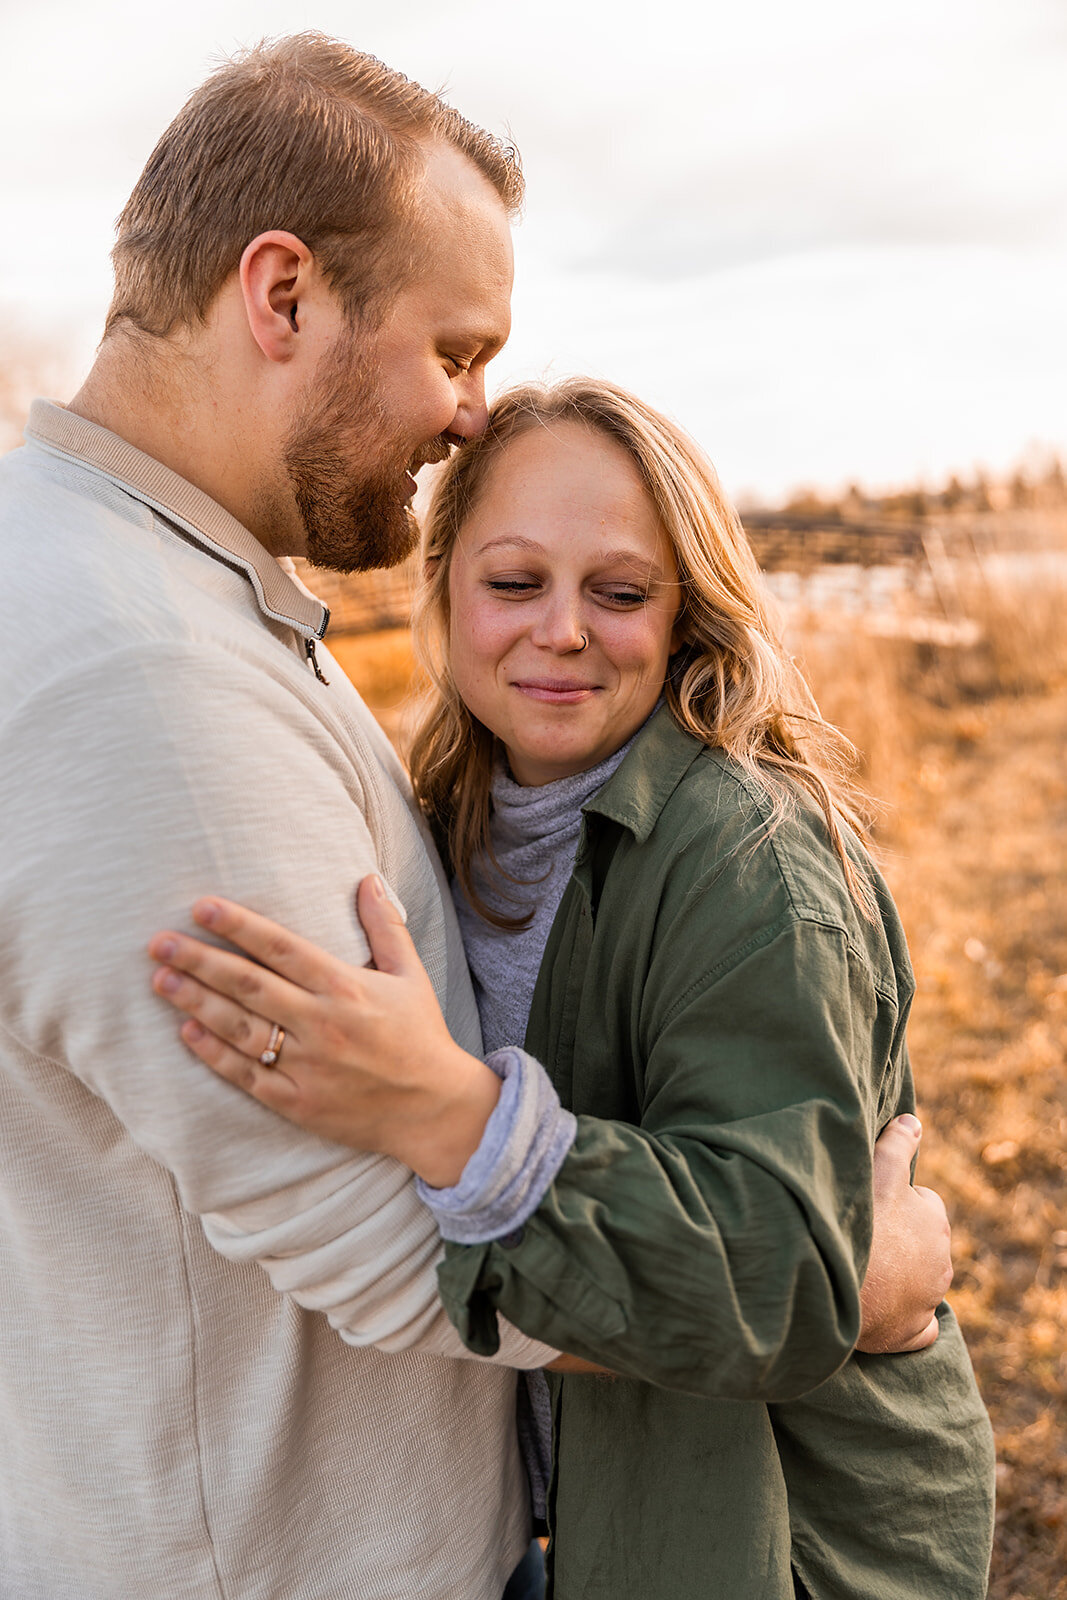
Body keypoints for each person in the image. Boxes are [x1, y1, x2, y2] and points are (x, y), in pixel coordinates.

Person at [149, 378, 996, 1599]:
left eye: (617, 591)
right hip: (569, 1517)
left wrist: (449, 1115)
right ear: (444, 586)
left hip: (780, 1538)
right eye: (512, 583)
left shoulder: (751, 864)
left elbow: (779, 1268)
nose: (560, 630)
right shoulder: (437, 825)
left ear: (685, 611)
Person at [0, 35, 568, 1600]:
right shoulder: (133, 677)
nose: (472, 413)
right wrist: (830, 1280)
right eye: (456, 349)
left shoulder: (144, 584)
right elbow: (405, 1246)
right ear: (283, 296)